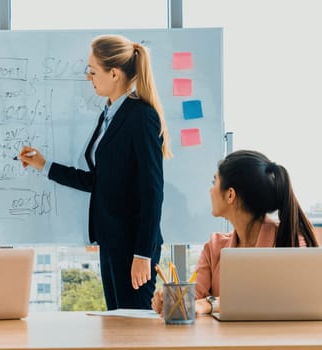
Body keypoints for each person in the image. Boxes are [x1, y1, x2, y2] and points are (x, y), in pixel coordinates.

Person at [19, 34, 172, 310]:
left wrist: (143, 254)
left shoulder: (141, 116)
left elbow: (152, 191)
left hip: (133, 247)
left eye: (92, 71)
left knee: (133, 331)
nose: (89, 77)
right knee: (117, 326)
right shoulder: (109, 114)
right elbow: (98, 181)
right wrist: (44, 165)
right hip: (111, 241)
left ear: (114, 74)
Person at [151, 149, 319, 316]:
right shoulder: (214, 247)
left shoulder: (291, 242)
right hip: (226, 341)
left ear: (230, 195)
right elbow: (195, 299)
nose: (210, 191)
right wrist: (171, 300)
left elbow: (280, 299)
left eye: (214, 182)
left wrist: (212, 303)